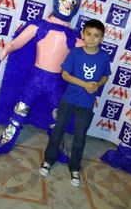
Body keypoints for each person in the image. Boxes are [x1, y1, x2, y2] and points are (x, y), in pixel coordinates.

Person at [0, 0, 83, 157]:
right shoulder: (40, 26)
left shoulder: (73, 36)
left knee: (57, 117)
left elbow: (88, 55)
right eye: (64, 0)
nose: (67, 5)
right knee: (20, 110)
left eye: (72, 2)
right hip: (36, 78)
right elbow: (18, 41)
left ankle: (57, 147)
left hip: (55, 82)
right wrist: (8, 47)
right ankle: (6, 139)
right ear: (57, 0)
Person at [39, 19, 111, 187]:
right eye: (89, 34)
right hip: (68, 100)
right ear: (82, 35)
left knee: (80, 137)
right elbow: (65, 75)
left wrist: (98, 84)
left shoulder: (104, 57)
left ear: (102, 38)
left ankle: (75, 167)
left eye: (96, 36)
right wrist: (84, 84)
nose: (92, 38)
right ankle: (48, 159)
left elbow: (105, 75)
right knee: (58, 132)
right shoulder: (75, 53)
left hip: (86, 104)